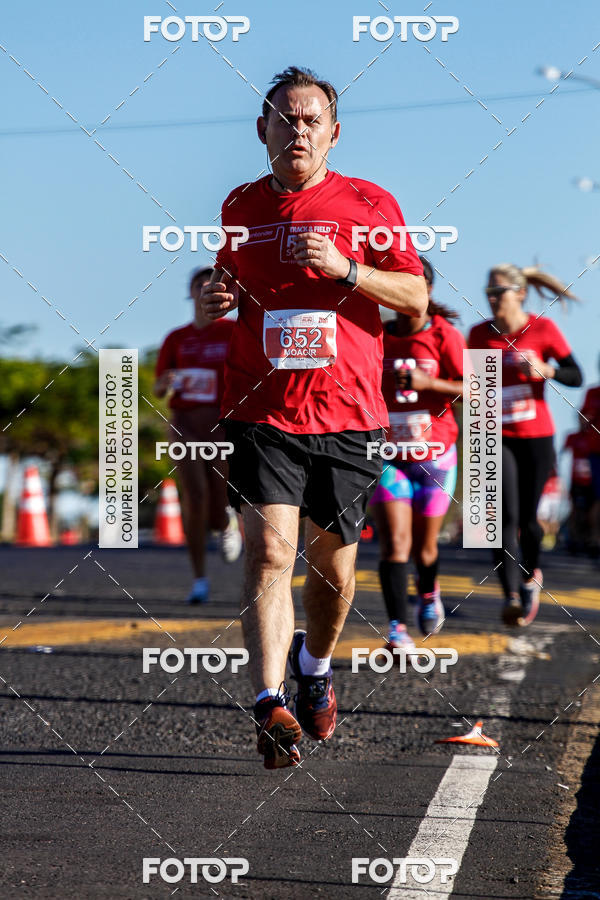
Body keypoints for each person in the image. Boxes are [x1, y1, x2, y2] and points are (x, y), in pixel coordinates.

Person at [200, 66, 427, 768]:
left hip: (349, 412)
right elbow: (229, 284)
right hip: (263, 409)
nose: (297, 129)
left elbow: (415, 298)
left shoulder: (367, 202)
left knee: (333, 574)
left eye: (310, 119)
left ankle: (316, 668)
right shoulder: (239, 206)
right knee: (269, 553)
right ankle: (269, 702)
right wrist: (217, 303)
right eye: (284, 118)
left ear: (333, 132)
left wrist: (347, 269)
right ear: (261, 129)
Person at [468, 263, 582, 627]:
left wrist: (545, 369)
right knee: (501, 518)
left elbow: (575, 375)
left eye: (498, 292)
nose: (491, 299)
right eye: (488, 292)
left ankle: (532, 575)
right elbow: (474, 392)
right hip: (492, 435)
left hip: (536, 436)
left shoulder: (543, 329)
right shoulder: (478, 336)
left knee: (530, 522)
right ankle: (512, 595)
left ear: (519, 293)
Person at [369, 256, 465, 652]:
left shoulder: (445, 335)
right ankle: (397, 630)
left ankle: (428, 593)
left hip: (435, 458)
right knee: (395, 544)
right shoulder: (376, 334)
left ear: (427, 289)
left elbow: (475, 392)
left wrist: (429, 381)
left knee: (426, 547)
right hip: (388, 455)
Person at [154, 266, 242, 604]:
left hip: (223, 424)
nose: (206, 288)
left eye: (214, 283)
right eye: (199, 285)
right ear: (191, 293)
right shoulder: (177, 338)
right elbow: (159, 386)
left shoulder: (234, 331)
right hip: (185, 424)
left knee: (218, 497)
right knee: (193, 498)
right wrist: (169, 380)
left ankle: (227, 522)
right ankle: (199, 578)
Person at [563, 426, 594, 555]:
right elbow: (563, 452)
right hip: (576, 480)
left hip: (591, 481)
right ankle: (573, 538)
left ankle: (590, 539)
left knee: (591, 510)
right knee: (575, 509)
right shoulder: (573, 437)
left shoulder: (594, 437)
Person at [580, 367, 600, 557]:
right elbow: (582, 418)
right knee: (597, 497)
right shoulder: (592, 393)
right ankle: (594, 538)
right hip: (596, 452)